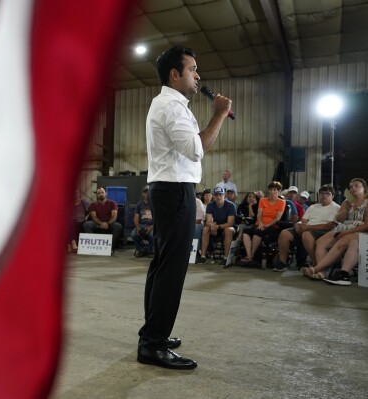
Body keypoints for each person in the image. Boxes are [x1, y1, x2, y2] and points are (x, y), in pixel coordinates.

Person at [137, 44, 232, 370]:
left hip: (168, 189)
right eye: (192, 69)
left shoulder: (171, 104)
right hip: (174, 190)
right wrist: (219, 114)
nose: (198, 75)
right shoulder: (172, 107)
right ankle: (153, 344)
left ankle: (152, 333)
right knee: (171, 269)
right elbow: (196, 149)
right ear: (174, 74)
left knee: (162, 264)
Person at [301, 178, 368, 281]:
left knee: (342, 240)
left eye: (357, 186)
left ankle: (316, 268)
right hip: (343, 227)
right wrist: (346, 208)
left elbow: (366, 225)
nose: (353, 188)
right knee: (320, 242)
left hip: (359, 230)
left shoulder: (366, 202)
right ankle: (322, 273)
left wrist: (346, 232)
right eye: (351, 187)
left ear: (364, 188)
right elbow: (339, 219)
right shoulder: (346, 202)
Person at [272, 184, 339, 271]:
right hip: (306, 229)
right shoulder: (313, 207)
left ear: (333, 196)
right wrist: (298, 225)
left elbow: (329, 226)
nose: (324, 195)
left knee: (307, 234)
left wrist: (307, 227)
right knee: (285, 233)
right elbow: (303, 220)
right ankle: (282, 262)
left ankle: (316, 264)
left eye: (327, 194)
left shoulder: (335, 207)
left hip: (323, 232)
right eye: (322, 193)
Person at [240, 181, 286, 266]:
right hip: (260, 224)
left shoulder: (281, 202)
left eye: (275, 190)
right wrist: (261, 223)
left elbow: (277, 218)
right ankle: (249, 255)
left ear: (279, 191)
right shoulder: (263, 200)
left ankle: (251, 256)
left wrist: (267, 225)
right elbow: (259, 214)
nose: (272, 192)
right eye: (270, 189)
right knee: (246, 231)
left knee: (258, 232)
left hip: (272, 225)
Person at [198, 186, 236, 265]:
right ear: (214, 196)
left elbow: (230, 223)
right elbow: (208, 221)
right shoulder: (210, 205)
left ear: (224, 195)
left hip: (227, 227)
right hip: (215, 227)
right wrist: (211, 224)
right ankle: (203, 256)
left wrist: (218, 226)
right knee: (205, 229)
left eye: (220, 195)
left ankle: (226, 258)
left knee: (228, 230)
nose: (218, 197)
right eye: (216, 195)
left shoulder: (231, 205)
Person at [83, 187, 123, 252]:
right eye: (99, 193)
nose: (101, 194)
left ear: (106, 193)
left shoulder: (112, 203)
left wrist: (107, 224)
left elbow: (114, 216)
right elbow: (94, 217)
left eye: (102, 193)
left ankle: (110, 247)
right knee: (87, 224)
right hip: (97, 224)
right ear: (97, 195)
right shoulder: (93, 204)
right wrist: (101, 223)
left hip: (109, 224)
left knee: (118, 226)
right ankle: (94, 245)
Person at [131, 185, 154, 257]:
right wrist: (138, 228)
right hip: (141, 225)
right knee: (134, 234)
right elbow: (136, 217)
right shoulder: (139, 204)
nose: (147, 194)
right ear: (143, 194)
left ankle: (151, 251)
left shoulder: (155, 203)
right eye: (145, 192)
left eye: (148, 192)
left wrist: (151, 227)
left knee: (152, 235)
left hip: (152, 226)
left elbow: (158, 219)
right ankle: (141, 250)